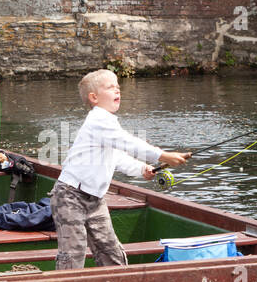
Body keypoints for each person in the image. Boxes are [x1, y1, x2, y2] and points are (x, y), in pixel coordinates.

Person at [52, 69, 189, 270]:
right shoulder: (97, 120)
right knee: (73, 253)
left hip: (95, 199)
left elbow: (116, 156)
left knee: (112, 253)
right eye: (110, 87)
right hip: (70, 196)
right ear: (94, 97)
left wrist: (142, 168)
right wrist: (162, 155)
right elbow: (127, 142)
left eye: (118, 86)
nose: (117, 91)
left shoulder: (108, 123)